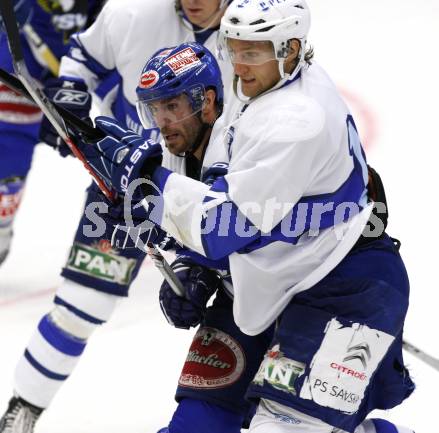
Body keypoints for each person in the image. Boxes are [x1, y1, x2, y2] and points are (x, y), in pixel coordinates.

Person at [84, 0, 416, 432]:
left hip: (343, 287)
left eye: (253, 52)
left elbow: (223, 229)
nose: (239, 65)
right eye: (234, 48)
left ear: (291, 48)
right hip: (263, 283)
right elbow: (225, 203)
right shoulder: (254, 90)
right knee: (196, 426)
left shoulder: (297, 117)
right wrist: (194, 264)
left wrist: (148, 180)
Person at [0, 0, 234, 424]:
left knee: (254, 308)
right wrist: (71, 97)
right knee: (79, 304)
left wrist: (198, 263)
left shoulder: (250, 38)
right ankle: (24, 410)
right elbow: (82, 59)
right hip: (122, 189)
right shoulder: (131, 14)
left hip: (219, 195)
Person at [0, 0, 105, 266]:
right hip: (15, 72)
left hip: (65, 80)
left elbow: (105, 29)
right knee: (9, 160)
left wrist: (74, 82)